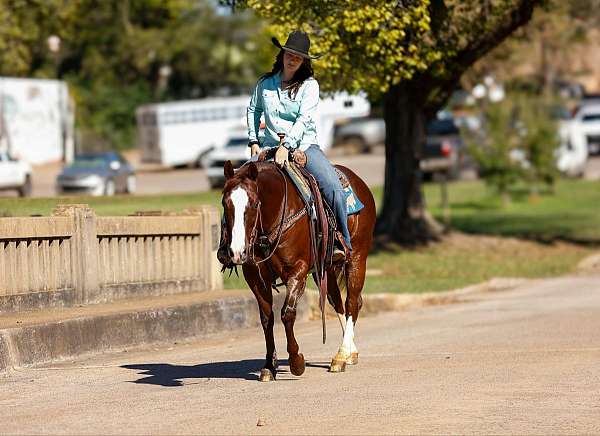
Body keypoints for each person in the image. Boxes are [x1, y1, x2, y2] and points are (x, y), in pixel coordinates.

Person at [247, 30, 351, 261]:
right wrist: (254, 141)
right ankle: (233, 244)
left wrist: (288, 147)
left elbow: (304, 119)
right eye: (289, 53)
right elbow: (253, 110)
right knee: (238, 187)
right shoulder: (265, 84)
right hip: (268, 148)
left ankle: (340, 240)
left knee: (333, 187)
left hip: (304, 146)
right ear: (283, 54)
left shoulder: (309, 86)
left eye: (298, 56)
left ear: (304, 60)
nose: (293, 58)